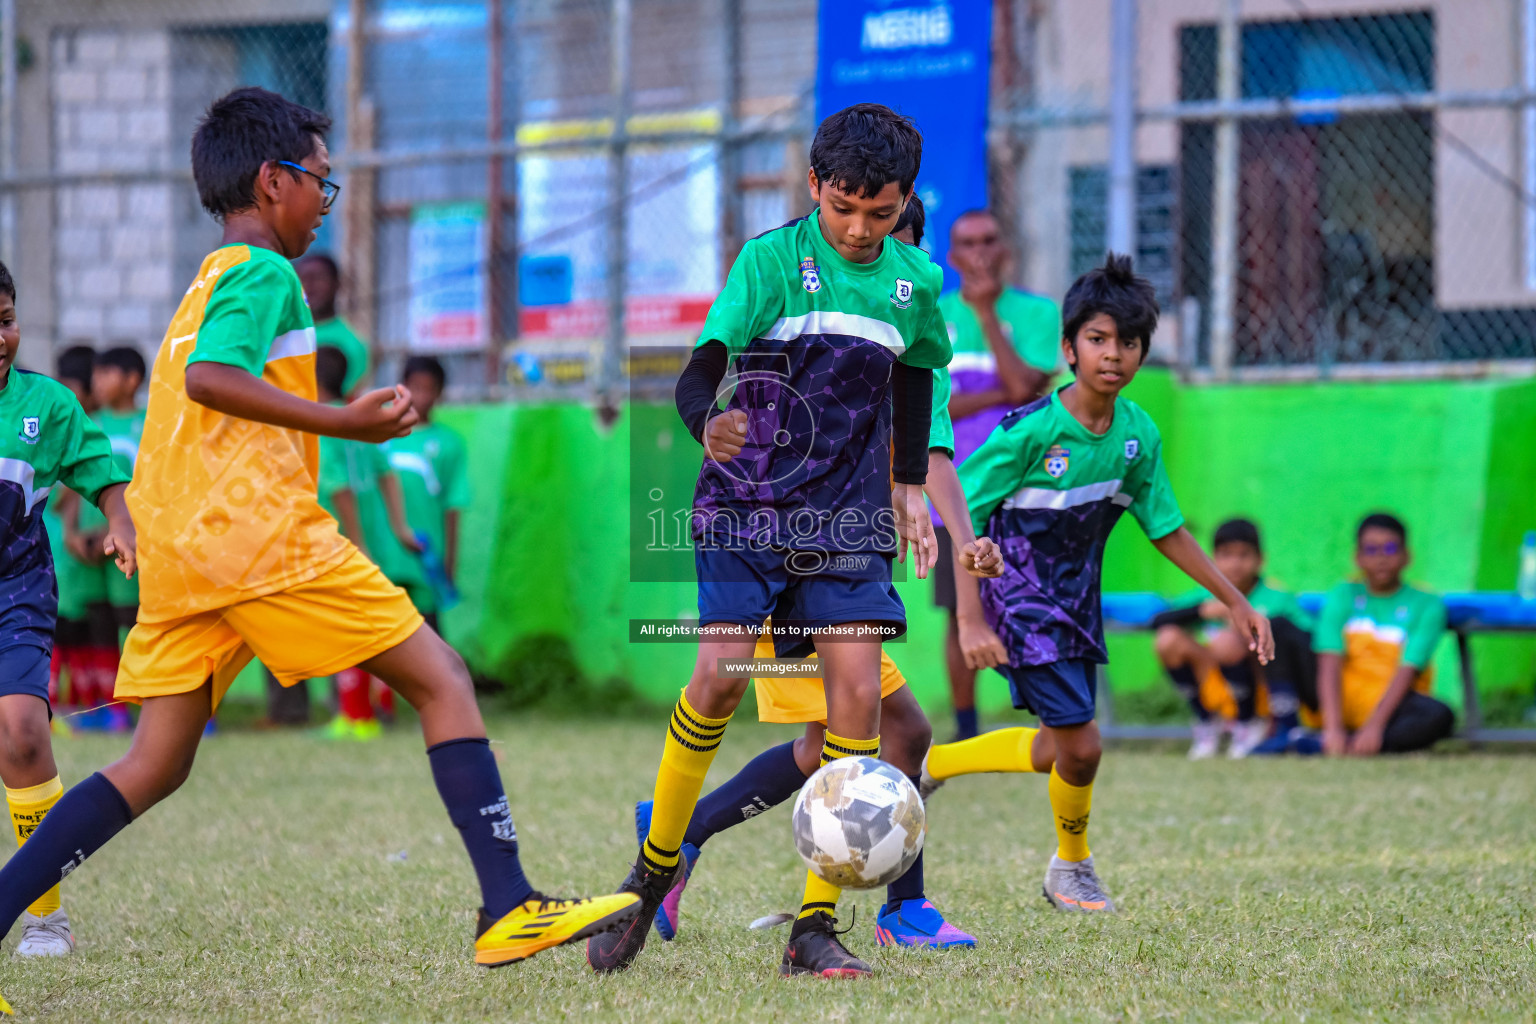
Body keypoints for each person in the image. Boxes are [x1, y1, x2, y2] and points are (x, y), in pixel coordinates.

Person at [0, 87, 638, 973]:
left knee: (155, 762)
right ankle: (510, 904)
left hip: (185, 549)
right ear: (272, 181)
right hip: (252, 533)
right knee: (444, 677)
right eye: (321, 184)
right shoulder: (265, 273)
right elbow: (214, 381)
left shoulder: (206, 280)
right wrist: (346, 422)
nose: (323, 205)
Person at [587, 102, 951, 979]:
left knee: (856, 701)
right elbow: (704, 361)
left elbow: (915, 372)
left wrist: (907, 488)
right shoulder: (772, 261)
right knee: (714, 680)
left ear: (906, 201)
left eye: (882, 212)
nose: (862, 229)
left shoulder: (915, 282)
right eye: (845, 209)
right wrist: (704, 420)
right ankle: (651, 876)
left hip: (847, 521)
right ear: (816, 187)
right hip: (747, 514)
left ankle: (812, 930)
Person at [625, 196, 998, 954]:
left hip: (843, 536)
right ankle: (676, 846)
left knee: (881, 726)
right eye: (861, 226)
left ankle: (851, 915)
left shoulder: (909, 336)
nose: (874, 245)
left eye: (893, 232)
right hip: (763, 530)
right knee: (840, 729)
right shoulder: (783, 275)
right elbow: (708, 366)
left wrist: (953, 532)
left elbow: (928, 457)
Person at [921, 253, 1274, 914]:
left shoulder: (1137, 435)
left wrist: (1235, 600)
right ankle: (1072, 868)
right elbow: (958, 520)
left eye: (1129, 343)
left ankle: (935, 767)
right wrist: (971, 618)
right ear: (1068, 349)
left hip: (1073, 606)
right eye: (1098, 339)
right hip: (1017, 600)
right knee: (1084, 743)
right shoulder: (1031, 432)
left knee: (1061, 748)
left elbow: (1165, 528)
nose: (1114, 355)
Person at [0, 261, 136, 958]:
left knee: (23, 733)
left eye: (5, 319)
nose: (0, 336)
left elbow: (103, 474)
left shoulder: (46, 407)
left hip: (14, 588)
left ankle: (43, 916)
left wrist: (121, 521)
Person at [936, 208, 1062, 741]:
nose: (980, 252)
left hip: (1026, 488)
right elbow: (931, 404)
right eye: (968, 243)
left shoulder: (1037, 313)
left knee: (1031, 602)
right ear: (953, 256)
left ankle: (1049, 718)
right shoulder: (929, 313)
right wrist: (997, 395)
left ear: (1005, 250)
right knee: (957, 611)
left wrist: (988, 317)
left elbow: (1029, 388)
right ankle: (966, 729)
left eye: (990, 240)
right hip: (956, 491)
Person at [312, 344, 421, 739]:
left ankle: (356, 717)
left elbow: (338, 487)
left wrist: (354, 541)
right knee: (375, 625)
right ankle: (380, 708)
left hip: (342, 544)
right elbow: (386, 473)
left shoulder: (324, 424)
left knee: (346, 629)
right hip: (371, 539)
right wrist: (400, 526)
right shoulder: (359, 420)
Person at [1150, 518, 1312, 759]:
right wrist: (1206, 611)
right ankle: (1206, 721)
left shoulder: (1276, 598)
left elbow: (1305, 639)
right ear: (1212, 559)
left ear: (1261, 559)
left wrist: (1247, 628)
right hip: (1215, 684)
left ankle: (1249, 722)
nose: (1235, 563)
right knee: (1167, 639)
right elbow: (1157, 621)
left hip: (1262, 687)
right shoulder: (1206, 596)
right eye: (1226, 554)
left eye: (1244, 555)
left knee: (1228, 641)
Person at [1315, 513, 1454, 756]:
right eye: (1371, 550)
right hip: (1340, 698)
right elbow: (1329, 659)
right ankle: (1322, 734)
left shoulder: (1427, 604)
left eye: (1390, 549)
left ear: (1406, 556)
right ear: (1357, 557)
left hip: (1390, 704)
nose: (1381, 559)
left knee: (1439, 715)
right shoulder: (1343, 594)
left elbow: (1409, 668)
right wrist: (1333, 727)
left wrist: (1374, 727)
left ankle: (1358, 745)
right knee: (1284, 633)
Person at [385, 354, 470, 630]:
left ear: (440, 393)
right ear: (402, 388)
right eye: (415, 387)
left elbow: (453, 506)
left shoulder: (449, 444)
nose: (421, 397)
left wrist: (449, 562)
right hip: (382, 555)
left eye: (429, 388)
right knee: (381, 642)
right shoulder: (378, 438)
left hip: (425, 558)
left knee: (427, 636)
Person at [43, 346, 98, 721]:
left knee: (79, 631)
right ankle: (53, 706)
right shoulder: (51, 427)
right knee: (53, 631)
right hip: (52, 550)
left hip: (77, 555)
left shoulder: (90, 432)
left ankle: (82, 707)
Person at [295, 252, 371, 398]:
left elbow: (345, 400)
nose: (310, 287)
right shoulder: (278, 332)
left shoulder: (352, 345)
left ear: (337, 284)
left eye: (318, 278)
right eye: (303, 279)